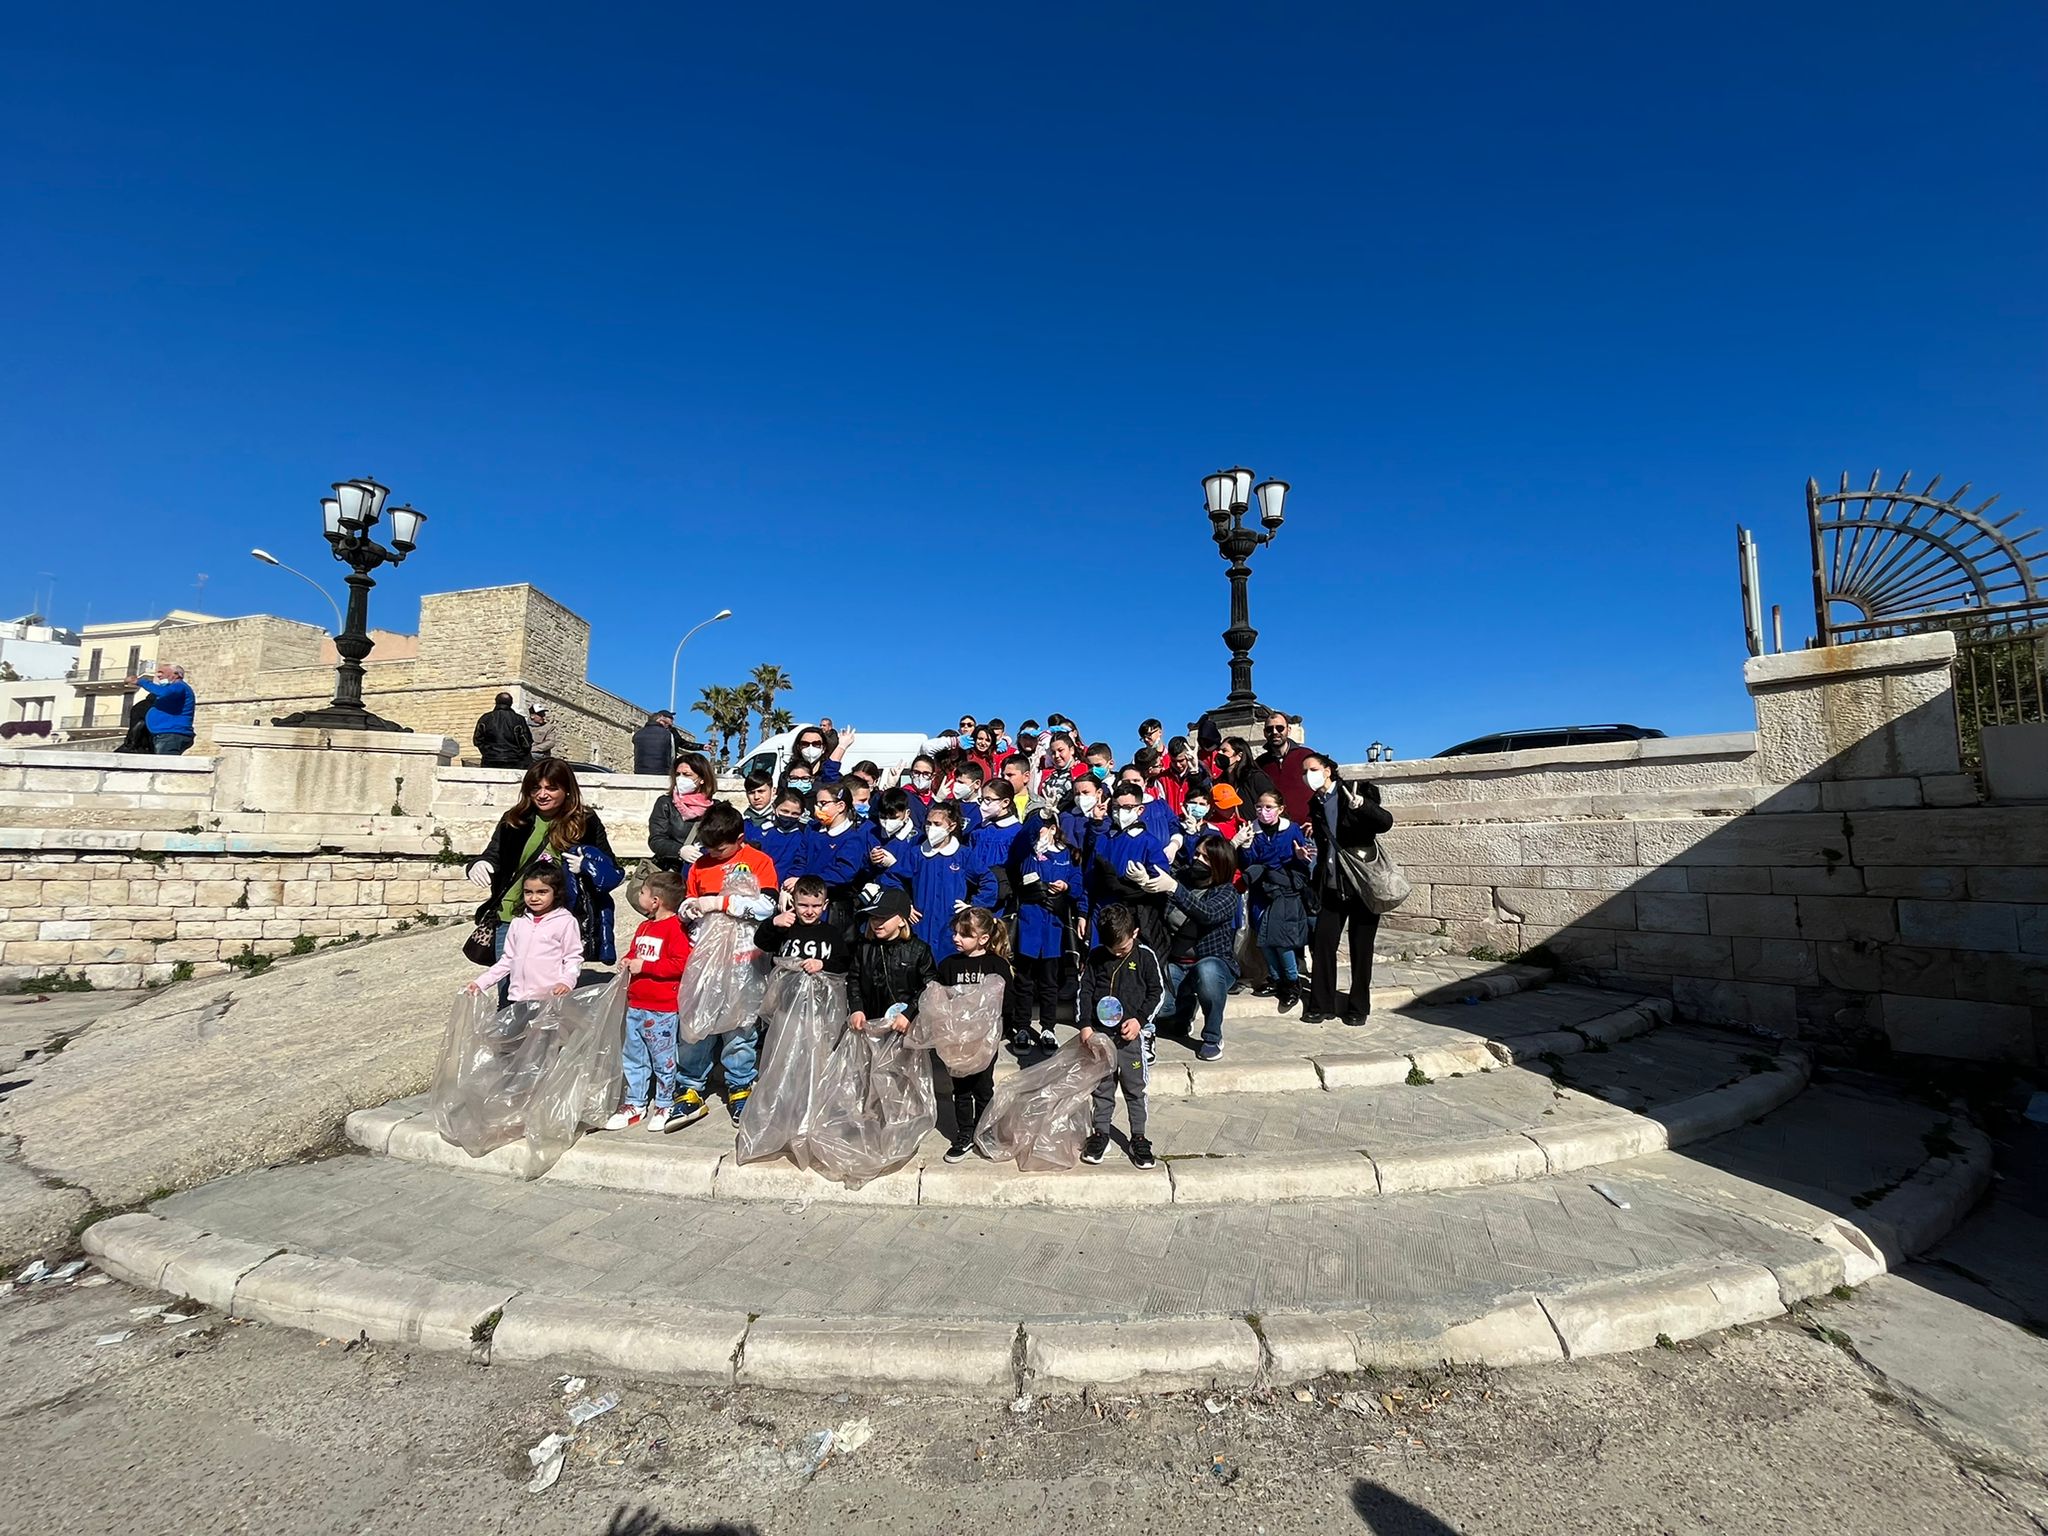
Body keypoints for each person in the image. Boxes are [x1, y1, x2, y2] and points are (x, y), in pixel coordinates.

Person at [466, 760, 615, 993]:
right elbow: (493, 854)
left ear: (567, 790)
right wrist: (478, 864)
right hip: (513, 914)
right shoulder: (515, 819)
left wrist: (587, 866)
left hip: (559, 918)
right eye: (536, 788)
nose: (542, 795)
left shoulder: (584, 820)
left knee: (552, 995)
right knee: (511, 992)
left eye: (551, 788)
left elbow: (610, 866)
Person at [673, 801, 780, 1125]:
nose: (714, 853)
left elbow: (766, 906)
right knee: (696, 1022)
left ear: (739, 839)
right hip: (705, 957)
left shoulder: (758, 861)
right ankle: (690, 1088)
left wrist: (721, 902)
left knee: (740, 1024)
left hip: (744, 957)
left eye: (720, 848)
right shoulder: (699, 866)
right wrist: (689, 908)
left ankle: (740, 1086)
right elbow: (689, 900)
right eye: (708, 847)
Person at [1304, 753, 1395, 1025]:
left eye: (1313, 768)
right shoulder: (1315, 802)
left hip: (1361, 886)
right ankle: (1322, 1005)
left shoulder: (1357, 792)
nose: (1308, 774)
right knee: (1323, 943)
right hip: (1332, 884)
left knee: (1361, 947)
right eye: (1305, 770)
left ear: (1329, 770)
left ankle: (1358, 1007)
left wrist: (1363, 806)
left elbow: (1385, 822)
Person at [607, 868, 692, 1131]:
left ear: (656, 900)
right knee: (633, 1056)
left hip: (662, 1008)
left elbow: (680, 964)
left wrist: (645, 966)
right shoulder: (644, 926)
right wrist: (628, 961)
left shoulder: (675, 929)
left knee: (663, 1059)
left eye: (642, 892)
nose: (639, 896)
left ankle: (665, 1102)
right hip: (636, 1003)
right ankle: (635, 1102)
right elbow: (635, 951)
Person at [1078, 903, 1162, 1170]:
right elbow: (1084, 991)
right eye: (1111, 949)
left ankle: (1138, 1136)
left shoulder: (1146, 957)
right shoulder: (1095, 957)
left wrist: (1140, 1021)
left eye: (1122, 948)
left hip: (1131, 1040)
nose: (1116, 952)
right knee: (1102, 1089)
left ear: (1134, 933)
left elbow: (1157, 993)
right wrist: (1085, 1025)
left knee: (1134, 1089)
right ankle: (1101, 1133)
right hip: (1101, 1039)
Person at [1145, 838, 1241, 1061]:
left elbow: (1206, 913)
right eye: (1197, 854)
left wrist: (1175, 889)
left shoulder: (1226, 893)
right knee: (1161, 1009)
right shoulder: (1182, 879)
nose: (1198, 860)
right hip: (1176, 963)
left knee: (1207, 973)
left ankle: (1212, 1036)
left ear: (1219, 863)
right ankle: (1184, 1010)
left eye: (1206, 857)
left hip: (1212, 963)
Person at [936, 907, 1011, 1163]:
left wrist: (1006, 1029)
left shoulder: (996, 965)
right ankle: (965, 1134)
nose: (957, 938)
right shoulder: (948, 965)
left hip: (985, 1041)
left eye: (965, 934)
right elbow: (939, 1000)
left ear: (983, 939)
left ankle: (984, 1131)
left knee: (983, 1087)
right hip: (957, 1040)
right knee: (961, 1088)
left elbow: (1007, 1001)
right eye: (956, 933)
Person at [1240, 787, 1316, 1014]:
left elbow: (1302, 859)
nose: (1264, 811)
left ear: (1281, 809)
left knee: (1281, 939)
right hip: (1260, 892)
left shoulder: (1291, 829)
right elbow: (1247, 862)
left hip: (1284, 891)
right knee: (1263, 938)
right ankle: (1274, 978)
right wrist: (1245, 846)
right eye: (1259, 807)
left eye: (1269, 807)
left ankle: (1291, 982)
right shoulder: (1251, 830)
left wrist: (1300, 858)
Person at [1014, 813, 1085, 1051]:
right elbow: (1024, 838)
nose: (1039, 833)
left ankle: (1048, 1028)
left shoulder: (1067, 854)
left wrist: (1066, 886)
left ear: (1054, 829)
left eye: (1044, 828)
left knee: (1049, 981)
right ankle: (1022, 1026)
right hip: (1029, 923)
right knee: (1024, 980)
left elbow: (1077, 885)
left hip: (1054, 926)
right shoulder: (1028, 853)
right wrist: (1039, 818)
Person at [466, 863, 581, 1003]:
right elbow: (507, 960)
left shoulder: (565, 922)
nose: (534, 898)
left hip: (550, 999)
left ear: (556, 892)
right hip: (518, 999)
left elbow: (573, 958)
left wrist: (566, 981)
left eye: (542, 892)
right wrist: (481, 983)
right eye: (528, 892)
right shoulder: (518, 922)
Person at [846, 888, 937, 1040]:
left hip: (905, 1027)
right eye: (873, 917)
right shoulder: (864, 947)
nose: (877, 923)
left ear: (902, 920)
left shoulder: (919, 950)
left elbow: (930, 987)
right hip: (870, 1025)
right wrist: (857, 1008)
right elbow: (853, 979)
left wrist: (910, 1013)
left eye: (884, 917)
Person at [909, 801, 993, 961]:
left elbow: (988, 880)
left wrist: (974, 905)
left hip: (950, 926)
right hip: (920, 924)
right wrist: (905, 904)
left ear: (952, 826)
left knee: (947, 970)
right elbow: (893, 878)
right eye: (928, 823)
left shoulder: (963, 854)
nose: (931, 828)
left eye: (937, 824)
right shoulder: (916, 853)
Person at [799, 782, 872, 925]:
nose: (817, 808)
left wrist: (805, 884)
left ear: (840, 806)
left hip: (833, 909)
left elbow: (843, 872)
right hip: (804, 902)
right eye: (817, 803)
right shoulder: (812, 830)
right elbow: (800, 859)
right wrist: (792, 882)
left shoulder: (853, 837)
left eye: (823, 803)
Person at [755, 874, 851, 976]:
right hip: (785, 988)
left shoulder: (831, 933)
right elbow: (760, 942)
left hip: (819, 990)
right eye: (803, 905)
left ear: (825, 905)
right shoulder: (785, 928)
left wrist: (822, 964)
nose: (809, 911)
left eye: (816, 906)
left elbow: (844, 963)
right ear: (793, 903)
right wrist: (773, 923)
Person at [648, 751, 716, 870]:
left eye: (686, 774)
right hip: (673, 870)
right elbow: (656, 839)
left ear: (702, 778)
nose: (680, 779)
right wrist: (679, 850)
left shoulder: (716, 808)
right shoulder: (666, 803)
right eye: (678, 774)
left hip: (705, 869)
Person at [1256, 709, 1316, 825]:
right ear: (1264, 733)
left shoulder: (1307, 756)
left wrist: (1318, 822)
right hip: (1275, 831)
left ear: (1288, 730)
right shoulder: (1260, 763)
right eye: (1269, 729)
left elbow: (1323, 790)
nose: (1274, 732)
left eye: (1279, 728)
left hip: (1307, 830)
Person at [129, 663, 197, 756]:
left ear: (176, 674)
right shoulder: (173, 688)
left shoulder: (179, 686)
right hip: (166, 735)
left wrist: (140, 682)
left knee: (165, 766)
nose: (158, 675)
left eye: (161, 672)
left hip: (171, 734)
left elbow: (163, 692)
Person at [472, 692, 532, 769]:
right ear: (511, 703)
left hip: (490, 760)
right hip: (513, 760)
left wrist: (487, 752)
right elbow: (526, 743)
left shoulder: (485, 718)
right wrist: (519, 754)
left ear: (496, 702)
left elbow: (477, 740)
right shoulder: (518, 719)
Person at [632, 710, 682, 776]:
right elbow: (672, 756)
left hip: (639, 772)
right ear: (660, 720)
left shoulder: (637, 734)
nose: (668, 726)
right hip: (662, 773)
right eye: (666, 723)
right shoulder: (668, 734)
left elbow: (635, 754)